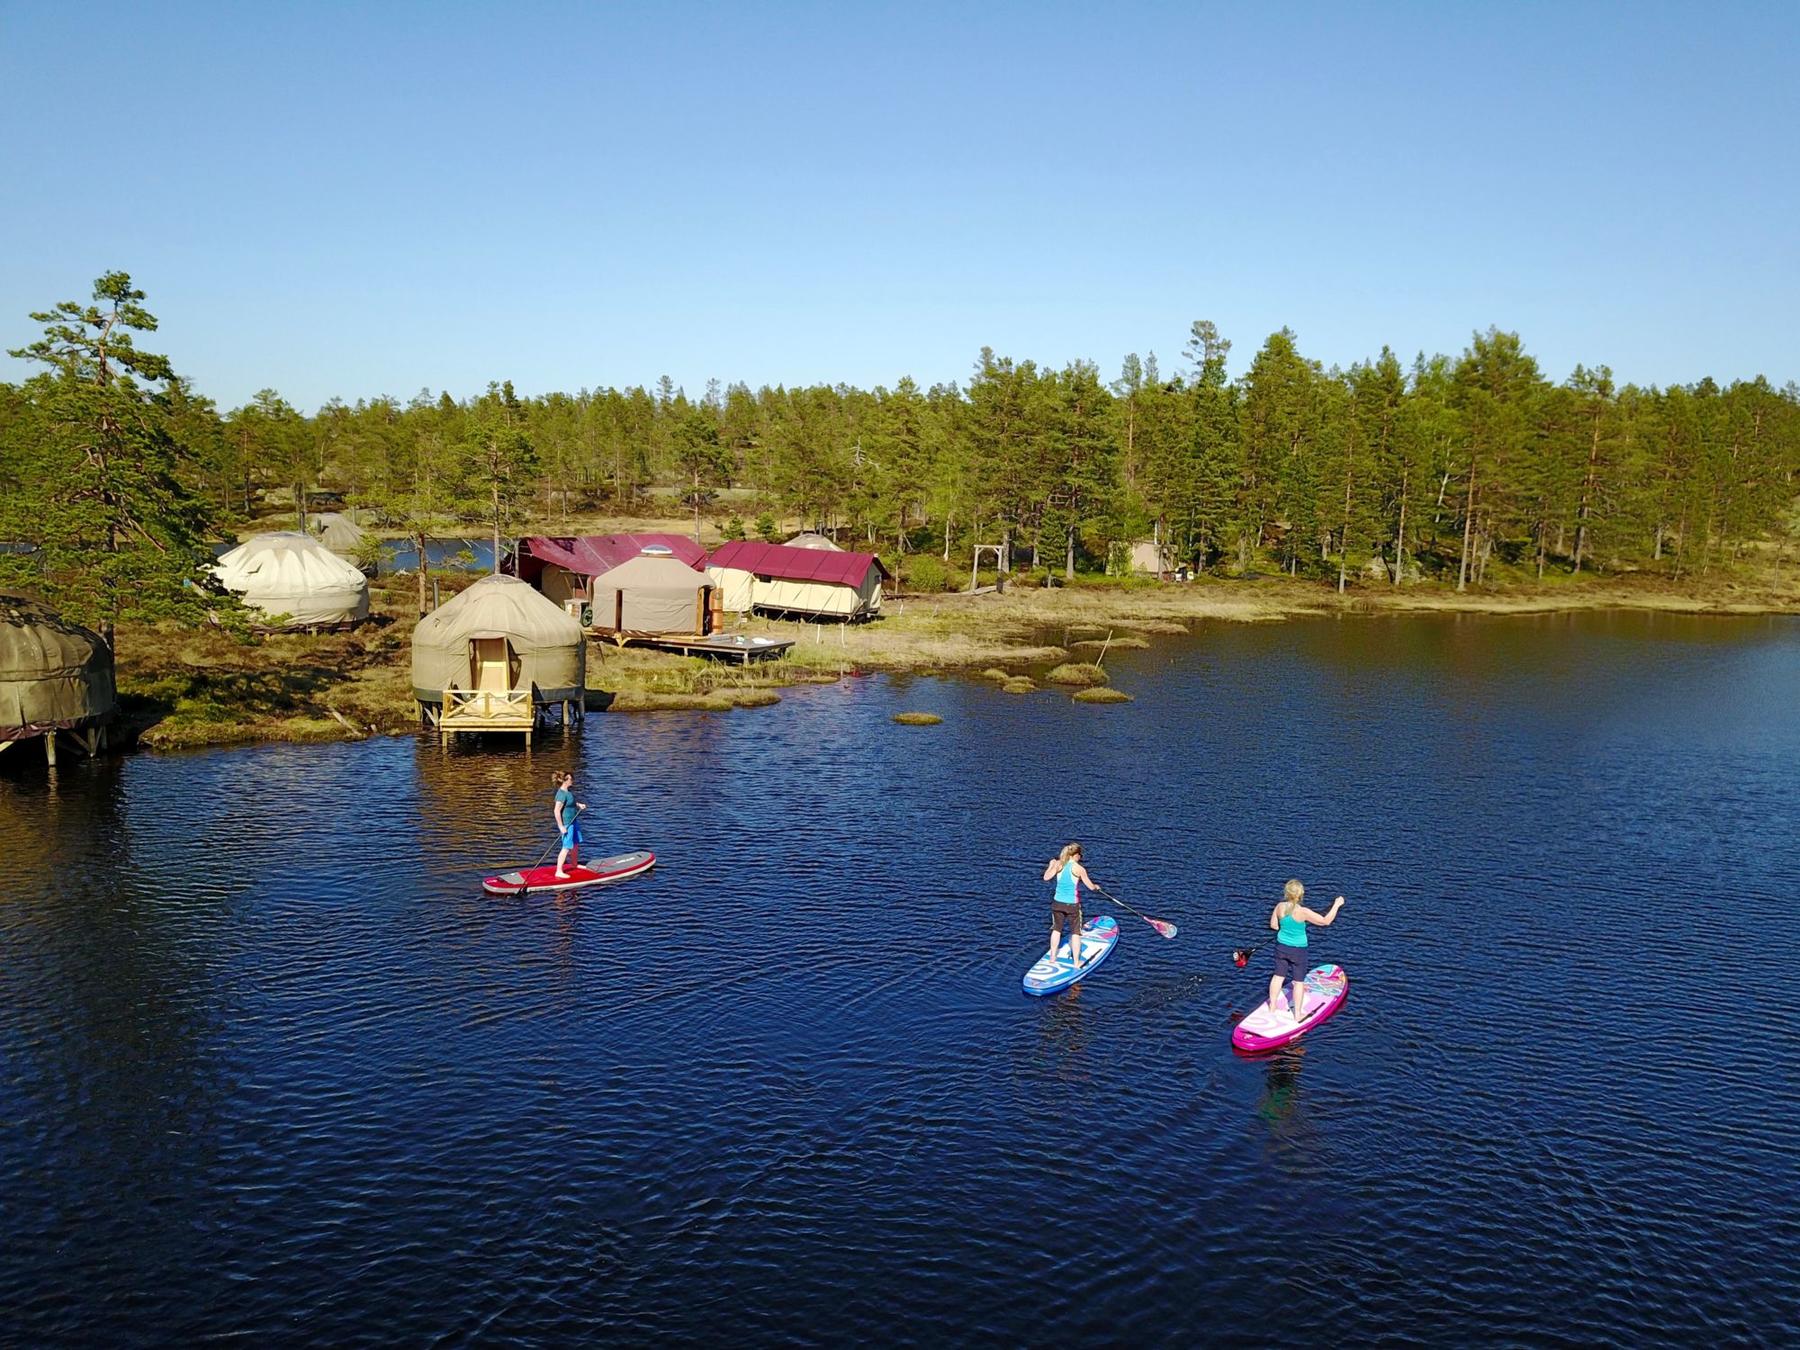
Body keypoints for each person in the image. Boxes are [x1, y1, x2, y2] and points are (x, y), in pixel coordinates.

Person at [1268, 880, 1345, 1022]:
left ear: (1286, 893)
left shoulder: (1279, 906)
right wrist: (1336, 905)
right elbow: (1325, 921)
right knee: (1298, 982)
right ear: (1300, 895)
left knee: (1278, 976)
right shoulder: (1303, 912)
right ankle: (1297, 1015)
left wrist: (1285, 927)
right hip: (1298, 951)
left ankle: (1272, 1007)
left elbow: (1274, 926)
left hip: (1281, 947)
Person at [1041, 842, 1098, 972]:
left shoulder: (1058, 864)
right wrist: (1096, 887)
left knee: (1056, 930)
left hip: (1057, 903)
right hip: (1072, 905)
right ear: (1076, 855)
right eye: (1080, 855)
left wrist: (1051, 865)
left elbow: (1046, 877)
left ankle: (1052, 958)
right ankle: (1076, 962)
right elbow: (1090, 887)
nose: (1081, 858)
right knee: (1075, 933)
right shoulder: (1079, 869)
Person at [552, 771, 586, 878]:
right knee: (566, 847)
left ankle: (574, 864)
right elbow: (556, 811)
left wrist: (579, 805)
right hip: (567, 823)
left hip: (574, 821)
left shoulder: (568, 792)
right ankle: (558, 871)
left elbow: (571, 803)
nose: (572, 781)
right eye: (571, 779)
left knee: (575, 844)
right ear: (565, 781)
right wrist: (561, 827)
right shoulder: (561, 794)